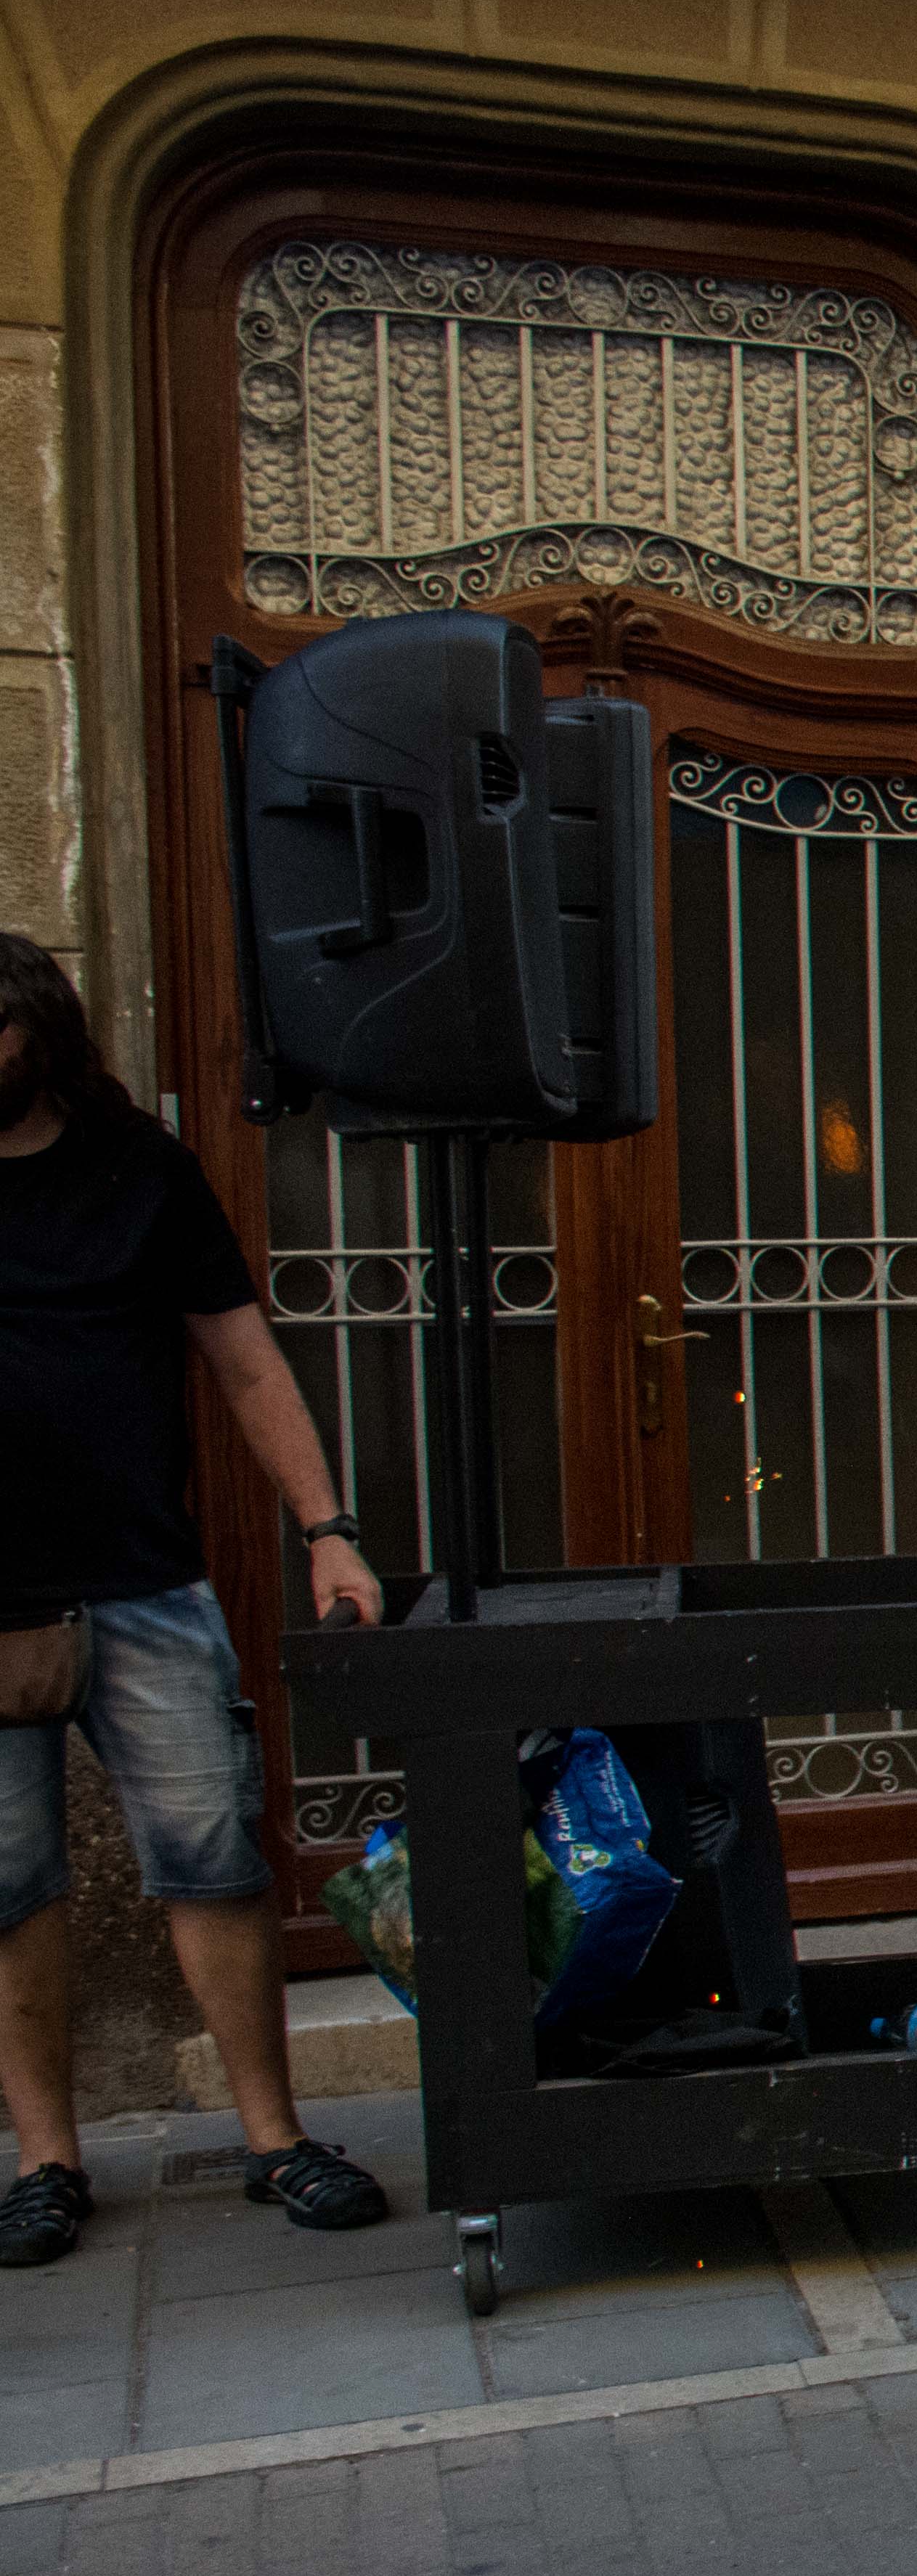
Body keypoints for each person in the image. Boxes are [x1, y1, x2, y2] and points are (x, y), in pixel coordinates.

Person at [0, 932, 393, 2265]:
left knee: (214, 1856)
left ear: (36, 1035)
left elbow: (244, 1365)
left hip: (144, 1585)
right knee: (8, 1887)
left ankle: (274, 2137)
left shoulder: (141, 1174)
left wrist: (327, 1532)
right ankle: (48, 2164)